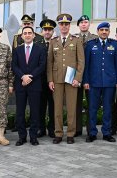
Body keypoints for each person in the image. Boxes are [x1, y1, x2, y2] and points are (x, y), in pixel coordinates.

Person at [47, 14, 85, 144]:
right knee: (57, 108)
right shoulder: (54, 41)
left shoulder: (76, 40)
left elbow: (81, 61)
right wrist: (50, 80)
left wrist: (78, 78)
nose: (64, 26)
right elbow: (50, 62)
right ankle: (58, 133)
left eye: (66, 24)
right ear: (59, 26)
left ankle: (70, 133)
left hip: (71, 79)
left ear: (69, 25)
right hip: (57, 79)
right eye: (62, 24)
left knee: (71, 108)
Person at [83, 22, 117, 143]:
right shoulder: (90, 45)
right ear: (98, 31)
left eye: (106, 30)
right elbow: (86, 65)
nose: (104, 32)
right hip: (94, 82)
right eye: (102, 30)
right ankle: (92, 133)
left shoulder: (114, 44)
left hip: (109, 82)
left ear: (109, 32)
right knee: (92, 109)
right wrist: (86, 81)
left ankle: (107, 133)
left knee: (108, 109)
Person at [12, 26, 47, 146]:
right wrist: (23, 76)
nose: (27, 35)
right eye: (25, 33)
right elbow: (14, 66)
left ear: (33, 35)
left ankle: (33, 136)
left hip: (35, 84)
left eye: (29, 33)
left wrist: (30, 76)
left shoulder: (40, 49)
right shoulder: (17, 50)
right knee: (20, 111)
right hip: (21, 84)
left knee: (35, 111)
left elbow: (42, 66)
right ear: (22, 36)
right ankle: (22, 137)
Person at [74, 15, 98, 137]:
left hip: (90, 75)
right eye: (81, 22)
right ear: (78, 25)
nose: (83, 24)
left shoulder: (95, 38)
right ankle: (77, 129)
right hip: (77, 75)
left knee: (91, 104)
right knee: (76, 104)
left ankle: (90, 129)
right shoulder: (73, 38)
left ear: (89, 24)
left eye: (86, 22)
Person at [38, 19, 56, 138]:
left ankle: (52, 129)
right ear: (42, 31)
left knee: (53, 106)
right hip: (40, 81)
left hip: (54, 80)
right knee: (40, 106)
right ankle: (41, 128)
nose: (47, 32)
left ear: (53, 31)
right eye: (45, 30)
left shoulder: (57, 43)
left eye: (50, 30)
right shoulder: (37, 45)